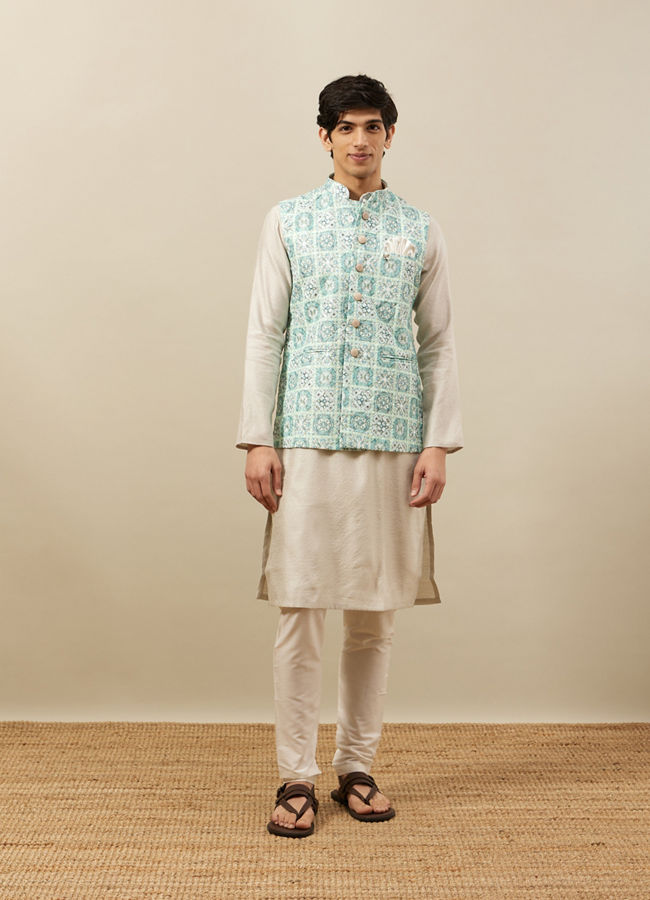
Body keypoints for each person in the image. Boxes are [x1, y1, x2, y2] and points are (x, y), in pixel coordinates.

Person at [235, 73, 464, 838]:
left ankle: (355, 767)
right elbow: (266, 332)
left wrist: (437, 442)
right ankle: (295, 777)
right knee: (301, 610)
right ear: (325, 137)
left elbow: (439, 343)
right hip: (305, 438)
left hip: (394, 443)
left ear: (390, 135)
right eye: (345, 127)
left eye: (372, 126)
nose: (359, 140)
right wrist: (258, 437)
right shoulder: (290, 221)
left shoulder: (419, 229)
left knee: (374, 617)